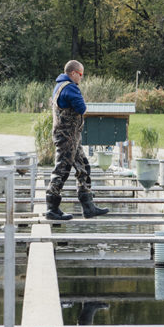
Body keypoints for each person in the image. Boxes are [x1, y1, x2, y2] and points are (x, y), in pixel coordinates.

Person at [45, 60, 110, 221]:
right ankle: (52, 208)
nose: (81, 78)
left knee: (83, 167)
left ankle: (88, 207)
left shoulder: (60, 86)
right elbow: (82, 108)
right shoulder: (69, 87)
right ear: (73, 73)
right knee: (62, 169)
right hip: (67, 137)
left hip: (71, 137)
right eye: (80, 74)